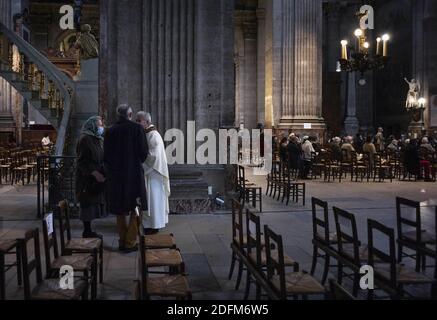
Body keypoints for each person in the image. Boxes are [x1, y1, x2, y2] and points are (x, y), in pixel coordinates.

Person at [104, 105, 149, 252]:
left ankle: (122, 240)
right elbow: (143, 152)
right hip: (133, 174)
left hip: (116, 177)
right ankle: (130, 242)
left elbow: (106, 156)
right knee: (135, 208)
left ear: (118, 115)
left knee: (119, 210)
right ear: (130, 114)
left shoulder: (110, 130)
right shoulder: (137, 129)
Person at [136, 112, 170, 235]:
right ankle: (149, 225)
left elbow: (153, 156)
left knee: (153, 201)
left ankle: (153, 225)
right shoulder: (148, 133)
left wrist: (140, 166)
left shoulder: (153, 135)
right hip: (150, 173)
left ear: (146, 121)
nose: (137, 123)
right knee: (150, 202)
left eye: (139, 120)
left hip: (153, 173)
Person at [75, 116, 107, 238]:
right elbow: (81, 162)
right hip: (86, 179)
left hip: (96, 177)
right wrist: (94, 173)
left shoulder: (96, 138)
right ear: (92, 125)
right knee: (87, 204)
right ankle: (86, 231)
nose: (101, 127)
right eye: (99, 125)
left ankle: (89, 230)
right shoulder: (84, 139)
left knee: (92, 204)